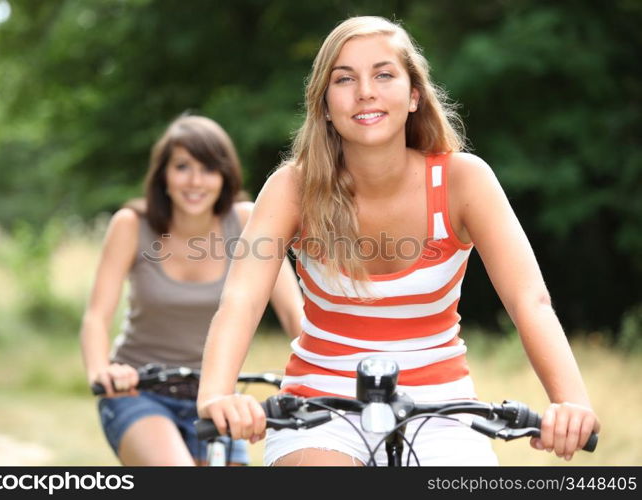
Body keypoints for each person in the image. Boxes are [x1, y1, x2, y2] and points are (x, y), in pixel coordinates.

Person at [196, 16, 600, 466]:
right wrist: (216, 395)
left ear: (413, 95)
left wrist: (572, 403)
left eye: (383, 74)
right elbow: (241, 301)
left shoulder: (464, 181)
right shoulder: (292, 188)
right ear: (325, 105)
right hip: (319, 405)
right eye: (344, 79)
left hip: (441, 406)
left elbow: (530, 302)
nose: (365, 90)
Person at [79, 114, 304, 466]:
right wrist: (101, 372)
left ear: (224, 176)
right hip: (140, 390)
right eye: (183, 167)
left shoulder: (245, 221)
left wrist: (319, 376)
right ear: (163, 176)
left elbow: (294, 313)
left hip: (217, 395)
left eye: (209, 169)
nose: (196, 181)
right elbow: (96, 317)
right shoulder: (131, 226)